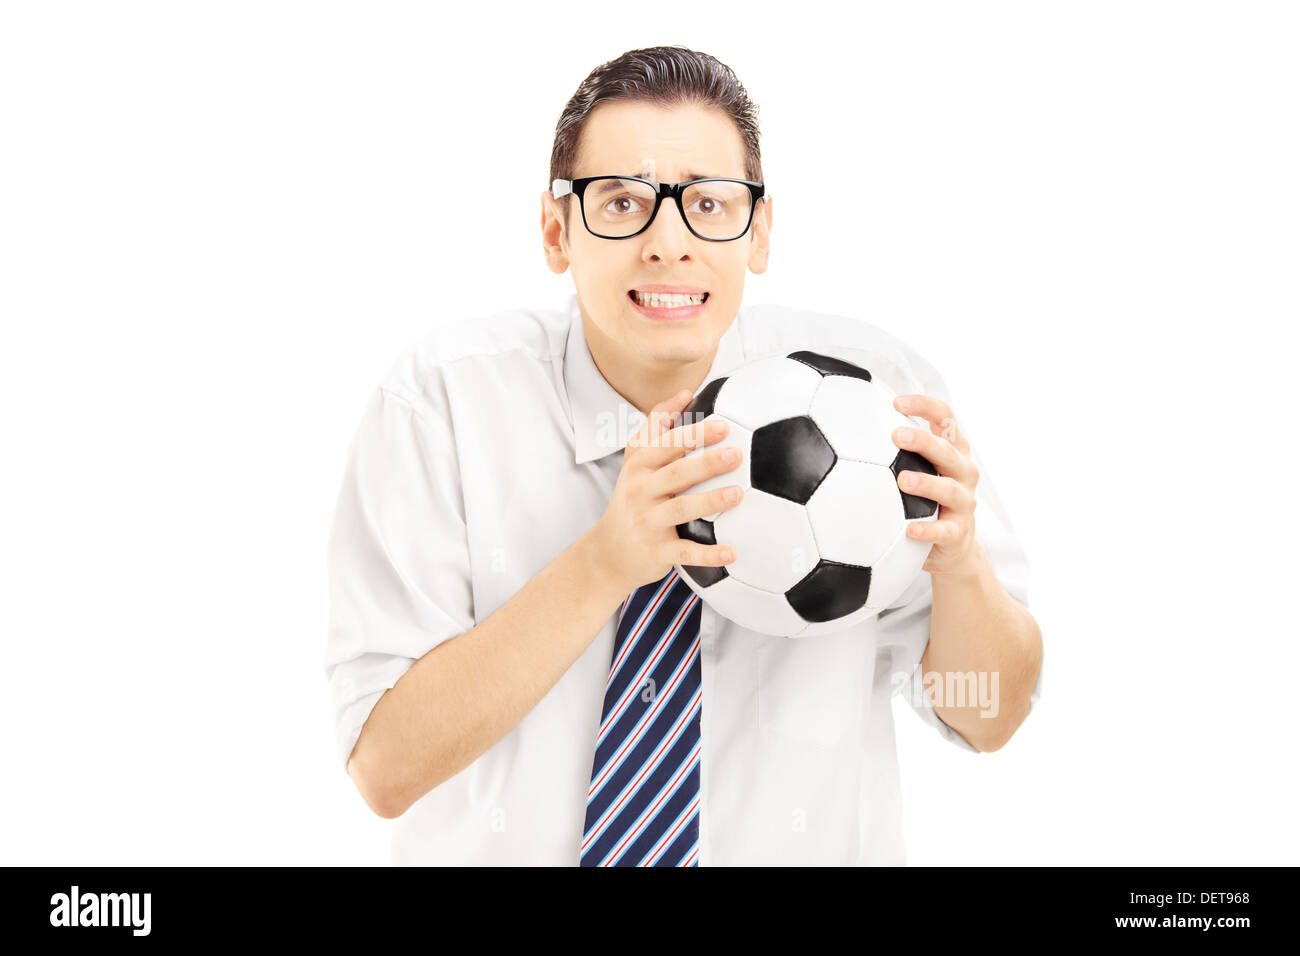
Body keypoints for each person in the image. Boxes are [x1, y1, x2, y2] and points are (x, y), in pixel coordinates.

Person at [324, 45, 1043, 866]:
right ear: (557, 232)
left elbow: (989, 718)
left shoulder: (876, 408)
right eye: (623, 202)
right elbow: (384, 771)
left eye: (709, 203)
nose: (669, 243)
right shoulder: (443, 405)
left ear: (759, 231)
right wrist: (604, 563)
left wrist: (961, 569)